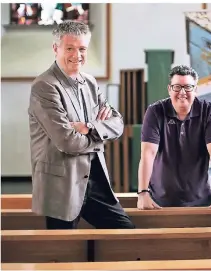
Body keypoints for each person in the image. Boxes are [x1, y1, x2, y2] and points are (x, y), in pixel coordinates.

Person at [28, 21, 135, 229]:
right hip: (62, 186)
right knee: (63, 253)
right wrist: (101, 138)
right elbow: (67, 142)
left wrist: (89, 127)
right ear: (55, 48)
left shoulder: (90, 82)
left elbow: (118, 123)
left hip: (95, 182)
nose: (77, 55)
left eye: (82, 49)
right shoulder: (44, 86)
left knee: (126, 234)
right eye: (70, 48)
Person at [137, 65, 211, 209]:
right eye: (177, 87)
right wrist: (143, 193)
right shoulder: (155, 111)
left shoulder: (208, 111)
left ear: (195, 90)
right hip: (159, 202)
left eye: (188, 87)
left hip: (201, 200)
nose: (182, 92)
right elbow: (148, 154)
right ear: (169, 89)